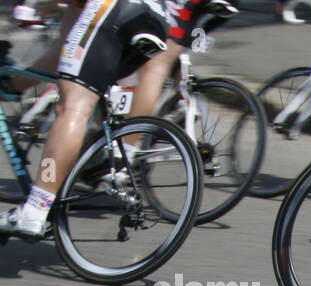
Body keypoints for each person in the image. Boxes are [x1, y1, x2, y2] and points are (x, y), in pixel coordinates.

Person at [1, 0, 236, 241]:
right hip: (158, 21)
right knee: (92, 88)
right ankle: (108, 154)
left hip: (115, 10)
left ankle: (35, 208)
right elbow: (68, 38)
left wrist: (37, 9)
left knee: (73, 107)